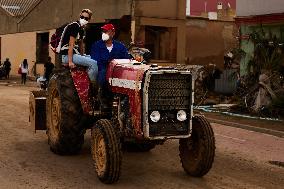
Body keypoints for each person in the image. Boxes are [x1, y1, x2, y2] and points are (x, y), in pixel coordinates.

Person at [91, 23, 130, 109]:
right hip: (103, 69)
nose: (103, 33)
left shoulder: (120, 46)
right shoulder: (97, 45)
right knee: (103, 75)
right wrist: (109, 62)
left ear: (113, 33)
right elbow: (95, 61)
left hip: (118, 71)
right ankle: (102, 98)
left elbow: (126, 59)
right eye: (103, 31)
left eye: (106, 31)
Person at [60, 9, 98, 84]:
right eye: (82, 17)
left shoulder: (81, 29)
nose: (83, 19)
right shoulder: (75, 26)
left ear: (89, 20)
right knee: (94, 63)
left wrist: (82, 55)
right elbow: (71, 45)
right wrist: (70, 62)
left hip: (75, 54)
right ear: (80, 16)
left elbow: (81, 44)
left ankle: (88, 77)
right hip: (67, 56)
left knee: (95, 58)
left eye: (86, 18)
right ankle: (90, 86)